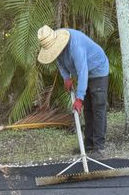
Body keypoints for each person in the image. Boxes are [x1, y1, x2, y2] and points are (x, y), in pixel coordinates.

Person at [36, 25, 110, 155]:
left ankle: (99, 147)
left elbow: (83, 72)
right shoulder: (52, 40)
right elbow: (59, 61)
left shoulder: (75, 46)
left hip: (98, 70)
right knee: (87, 109)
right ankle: (88, 145)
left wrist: (79, 98)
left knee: (97, 108)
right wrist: (66, 78)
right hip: (85, 72)